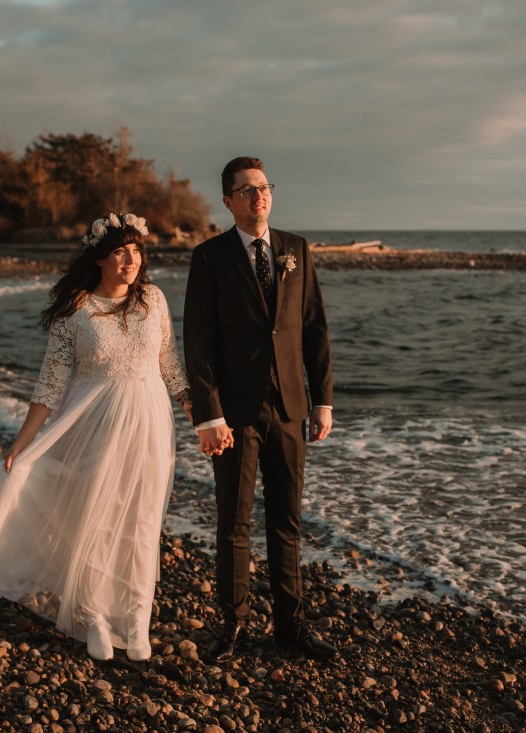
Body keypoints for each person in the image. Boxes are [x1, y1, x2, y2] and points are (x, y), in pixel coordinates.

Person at [0, 213, 191, 662]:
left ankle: (137, 619)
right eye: (120, 252)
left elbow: (170, 365)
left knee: (140, 522)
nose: (130, 260)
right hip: (92, 425)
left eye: (136, 251)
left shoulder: (153, 300)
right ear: (99, 258)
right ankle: (94, 615)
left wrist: (201, 415)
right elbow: (50, 384)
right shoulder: (75, 312)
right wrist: (22, 443)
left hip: (150, 423)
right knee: (97, 518)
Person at [183, 156, 338, 661]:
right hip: (235, 414)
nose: (259, 196)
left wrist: (323, 401)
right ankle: (233, 627)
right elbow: (199, 343)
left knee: (287, 520)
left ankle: (290, 627)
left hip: (291, 406)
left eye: (264, 187)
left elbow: (313, 328)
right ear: (228, 202)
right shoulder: (209, 258)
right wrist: (210, 415)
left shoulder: (296, 249)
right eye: (246, 190)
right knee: (233, 523)